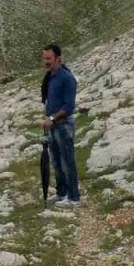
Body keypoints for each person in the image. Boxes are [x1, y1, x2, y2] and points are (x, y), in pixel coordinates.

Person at [40, 43, 80, 207]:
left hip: (63, 124)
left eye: (49, 58)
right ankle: (62, 194)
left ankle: (74, 198)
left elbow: (69, 106)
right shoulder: (51, 77)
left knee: (67, 161)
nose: (46, 62)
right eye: (44, 58)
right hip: (53, 124)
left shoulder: (67, 78)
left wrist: (52, 119)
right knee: (56, 161)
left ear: (58, 58)